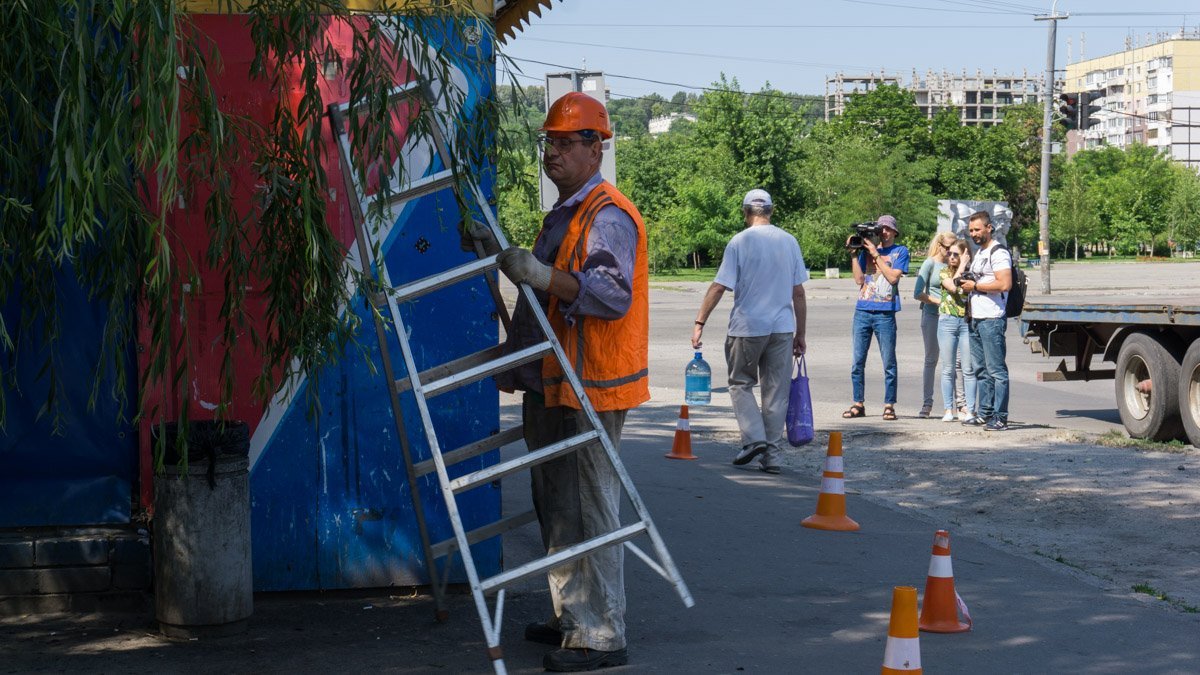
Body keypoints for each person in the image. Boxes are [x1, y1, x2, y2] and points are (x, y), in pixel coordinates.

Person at [479, 92, 646, 672]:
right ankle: (572, 616)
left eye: (564, 141)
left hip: (591, 387)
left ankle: (602, 634)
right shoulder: (568, 213)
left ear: (595, 147)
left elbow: (609, 294)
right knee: (555, 504)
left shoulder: (607, 214)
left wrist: (542, 273)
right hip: (554, 382)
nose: (551, 151)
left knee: (589, 507)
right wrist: (500, 257)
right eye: (548, 141)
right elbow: (542, 300)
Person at [691, 189, 808, 475]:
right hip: (782, 327)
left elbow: (719, 286)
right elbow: (799, 293)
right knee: (775, 392)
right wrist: (800, 333)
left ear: (746, 212)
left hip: (747, 327)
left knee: (741, 383)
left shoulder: (739, 242)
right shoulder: (789, 241)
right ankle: (772, 457)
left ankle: (754, 439)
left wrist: (699, 322)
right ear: (771, 210)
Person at [842, 215, 910, 421]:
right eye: (881, 229)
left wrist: (876, 254)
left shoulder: (901, 251)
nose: (884, 232)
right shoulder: (866, 251)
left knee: (888, 361)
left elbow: (893, 278)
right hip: (863, 310)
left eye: (888, 229)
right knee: (857, 361)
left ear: (895, 232)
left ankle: (889, 404)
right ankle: (858, 403)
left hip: (885, 313)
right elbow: (858, 280)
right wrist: (855, 255)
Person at [958, 211, 1012, 431]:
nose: (974, 234)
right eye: (971, 230)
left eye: (977, 229)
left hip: (992, 318)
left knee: (996, 370)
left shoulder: (998, 252)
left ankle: (1001, 417)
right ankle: (985, 413)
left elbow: (1004, 284)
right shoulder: (980, 253)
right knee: (981, 369)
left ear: (989, 228)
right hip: (976, 318)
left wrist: (976, 286)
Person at [912, 232, 959, 418]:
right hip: (932, 316)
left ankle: (958, 405)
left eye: (954, 248)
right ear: (939, 245)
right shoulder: (930, 263)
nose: (951, 252)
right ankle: (927, 403)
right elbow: (917, 293)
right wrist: (939, 302)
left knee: (955, 363)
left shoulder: (954, 264)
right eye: (948, 248)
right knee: (931, 359)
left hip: (952, 317)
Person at [937, 239, 978, 422]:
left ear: (965, 255)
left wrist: (964, 268)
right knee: (948, 368)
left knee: (968, 369)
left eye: (956, 254)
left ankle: (970, 409)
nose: (951, 257)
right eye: (950, 254)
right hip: (947, 321)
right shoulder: (944, 272)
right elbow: (953, 287)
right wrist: (961, 266)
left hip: (965, 322)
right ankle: (948, 409)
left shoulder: (973, 274)